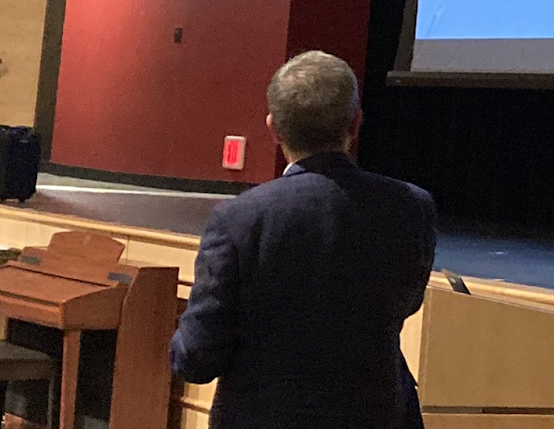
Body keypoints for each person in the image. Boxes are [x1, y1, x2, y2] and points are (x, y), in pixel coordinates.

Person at [171, 52, 436, 429]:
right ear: (356, 122)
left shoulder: (239, 220)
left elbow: (197, 359)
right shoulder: (412, 207)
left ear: (273, 129)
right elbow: (407, 304)